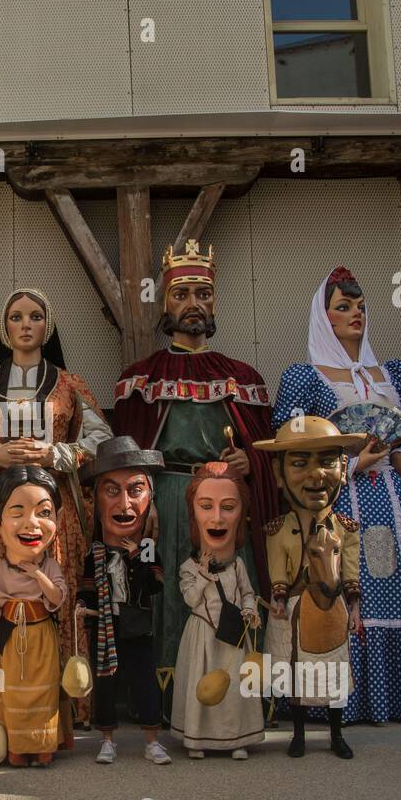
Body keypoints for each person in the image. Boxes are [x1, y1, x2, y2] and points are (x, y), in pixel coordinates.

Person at [270, 266, 401, 725]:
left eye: (360, 306)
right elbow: (292, 445)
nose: (355, 313)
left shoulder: (391, 372)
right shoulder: (305, 376)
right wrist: (356, 460)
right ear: (324, 318)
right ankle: (345, 702)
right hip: (340, 499)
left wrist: (397, 455)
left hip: (395, 504)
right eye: (343, 307)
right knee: (349, 591)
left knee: (399, 589)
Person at [111, 240, 277, 712]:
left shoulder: (241, 376)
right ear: (165, 302)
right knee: (173, 596)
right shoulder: (141, 377)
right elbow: (128, 454)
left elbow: (265, 452)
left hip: (226, 500)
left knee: (231, 591)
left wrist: (250, 461)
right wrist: (142, 507)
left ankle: (235, 703)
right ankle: (172, 703)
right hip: (167, 497)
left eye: (202, 294)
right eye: (182, 294)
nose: (193, 305)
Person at [0, 288, 110, 727]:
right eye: (17, 317)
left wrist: (54, 454)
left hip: (49, 512)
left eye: (35, 316)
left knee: (50, 590)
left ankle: (59, 704)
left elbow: (100, 439)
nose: (26, 324)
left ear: (48, 326)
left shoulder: (70, 386)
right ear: (4, 330)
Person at [254, 417, 367, 758]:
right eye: (300, 464)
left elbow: (350, 570)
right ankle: (299, 733)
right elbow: (277, 570)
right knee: (296, 674)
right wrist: (276, 597)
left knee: (334, 671)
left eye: (327, 462)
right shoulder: (277, 529)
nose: (317, 475)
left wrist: (355, 606)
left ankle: (336, 733)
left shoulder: (346, 528)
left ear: (343, 468)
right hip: (293, 609)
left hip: (332, 609)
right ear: (278, 473)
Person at [74, 436, 171, 765]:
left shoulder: (146, 550)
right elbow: (87, 588)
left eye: (135, 490)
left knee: (144, 681)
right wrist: (82, 606)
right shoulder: (97, 552)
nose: (125, 505)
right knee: (106, 683)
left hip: (137, 626)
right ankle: (107, 739)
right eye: (112, 490)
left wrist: (134, 560)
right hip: (106, 627)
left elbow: (155, 586)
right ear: (97, 501)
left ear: (150, 498)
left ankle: (152, 740)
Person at [0, 465, 73, 767]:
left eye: (44, 512)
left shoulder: (50, 567)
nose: (31, 524)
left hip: (41, 635)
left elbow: (58, 599)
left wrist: (38, 576)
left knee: (42, 694)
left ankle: (43, 747)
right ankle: (17, 748)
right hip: (10, 636)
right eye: (17, 512)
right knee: (14, 694)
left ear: (57, 520)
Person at [172, 462, 265, 759]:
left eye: (228, 507)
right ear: (193, 514)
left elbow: (248, 593)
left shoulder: (237, 565)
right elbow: (190, 599)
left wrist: (250, 611)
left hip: (234, 637)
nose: (217, 518)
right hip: (202, 635)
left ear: (241, 514)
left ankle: (236, 738)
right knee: (201, 685)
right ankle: (197, 738)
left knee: (235, 687)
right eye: (206, 506)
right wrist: (202, 573)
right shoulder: (188, 567)